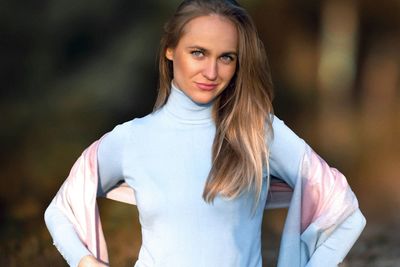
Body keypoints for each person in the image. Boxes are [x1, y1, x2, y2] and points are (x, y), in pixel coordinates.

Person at [44, 0, 366, 266]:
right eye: (198, 53)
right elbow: (62, 210)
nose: (211, 73)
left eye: (226, 57)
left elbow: (343, 209)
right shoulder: (132, 139)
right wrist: (85, 261)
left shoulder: (257, 132)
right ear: (170, 50)